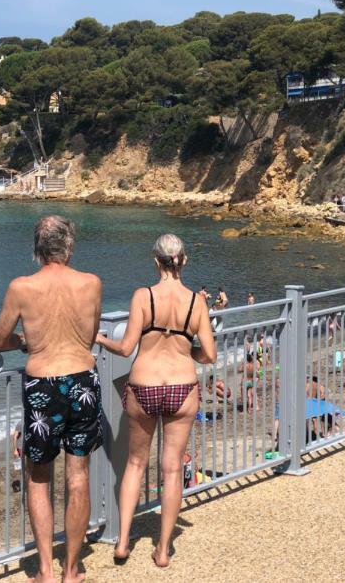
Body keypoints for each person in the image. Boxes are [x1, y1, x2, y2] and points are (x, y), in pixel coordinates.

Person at [0, 215, 102, 583]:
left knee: (39, 479)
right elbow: (89, 334)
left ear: (37, 249)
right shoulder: (91, 283)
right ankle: (72, 570)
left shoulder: (21, 287)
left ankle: (45, 570)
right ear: (69, 246)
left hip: (42, 384)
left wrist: (24, 343)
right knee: (78, 475)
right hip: (83, 378)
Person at [96, 234, 216, 568]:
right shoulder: (196, 302)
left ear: (155, 261)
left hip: (144, 384)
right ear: (184, 261)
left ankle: (121, 543)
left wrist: (99, 337)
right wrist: (184, 348)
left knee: (135, 464)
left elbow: (125, 348)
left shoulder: (143, 297)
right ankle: (163, 549)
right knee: (173, 468)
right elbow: (209, 354)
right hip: (181, 385)